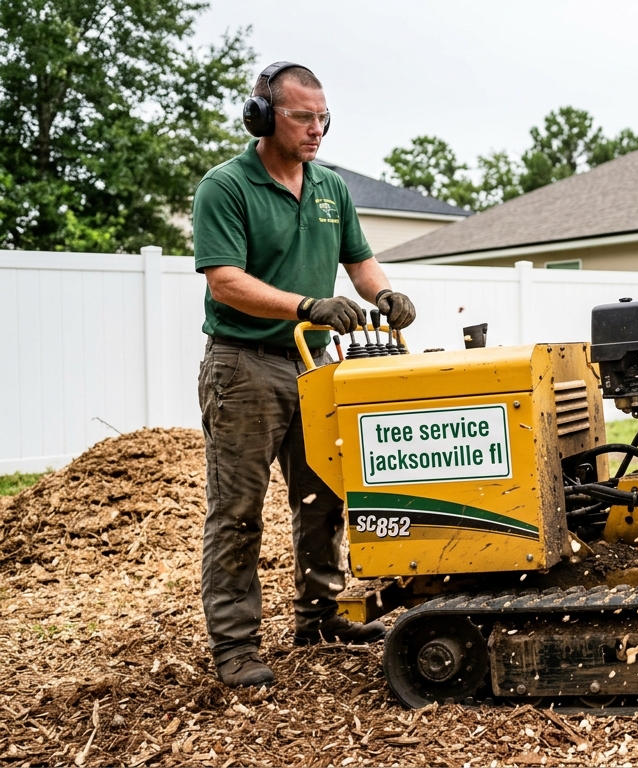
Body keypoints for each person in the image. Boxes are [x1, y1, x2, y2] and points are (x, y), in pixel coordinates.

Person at [191, 62, 417, 688]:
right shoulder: (225, 187)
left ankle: (319, 619)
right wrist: (306, 306)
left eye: (323, 118)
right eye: (302, 117)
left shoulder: (329, 187)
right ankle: (235, 647)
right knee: (237, 512)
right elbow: (225, 281)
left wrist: (385, 294)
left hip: (316, 367)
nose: (317, 129)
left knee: (322, 498)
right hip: (244, 365)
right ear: (262, 116)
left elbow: (360, 261)